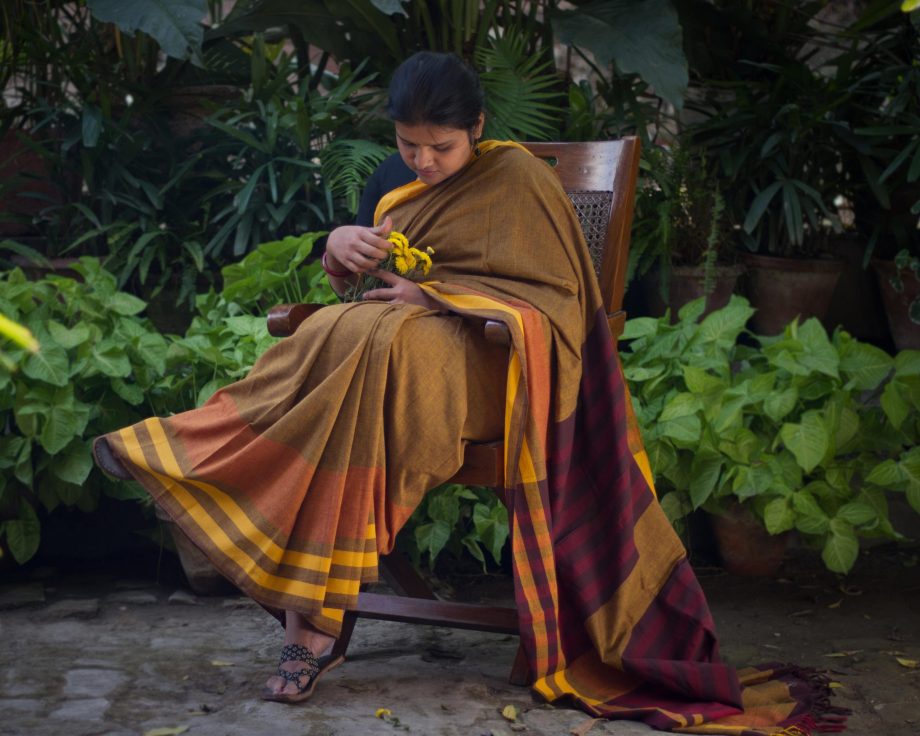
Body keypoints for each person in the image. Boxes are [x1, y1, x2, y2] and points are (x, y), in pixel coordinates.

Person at [94, 52, 845, 734]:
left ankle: (211, 474)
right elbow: (368, 279)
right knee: (345, 333)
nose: (421, 161)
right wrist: (337, 249)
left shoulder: (519, 182)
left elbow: (561, 307)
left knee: (385, 342)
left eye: (440, 147)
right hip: (402, 369)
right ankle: (298, 598)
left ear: (477, 129)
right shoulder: (394, 185)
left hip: (498, 369)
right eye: (407, 143)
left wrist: (442, 299)